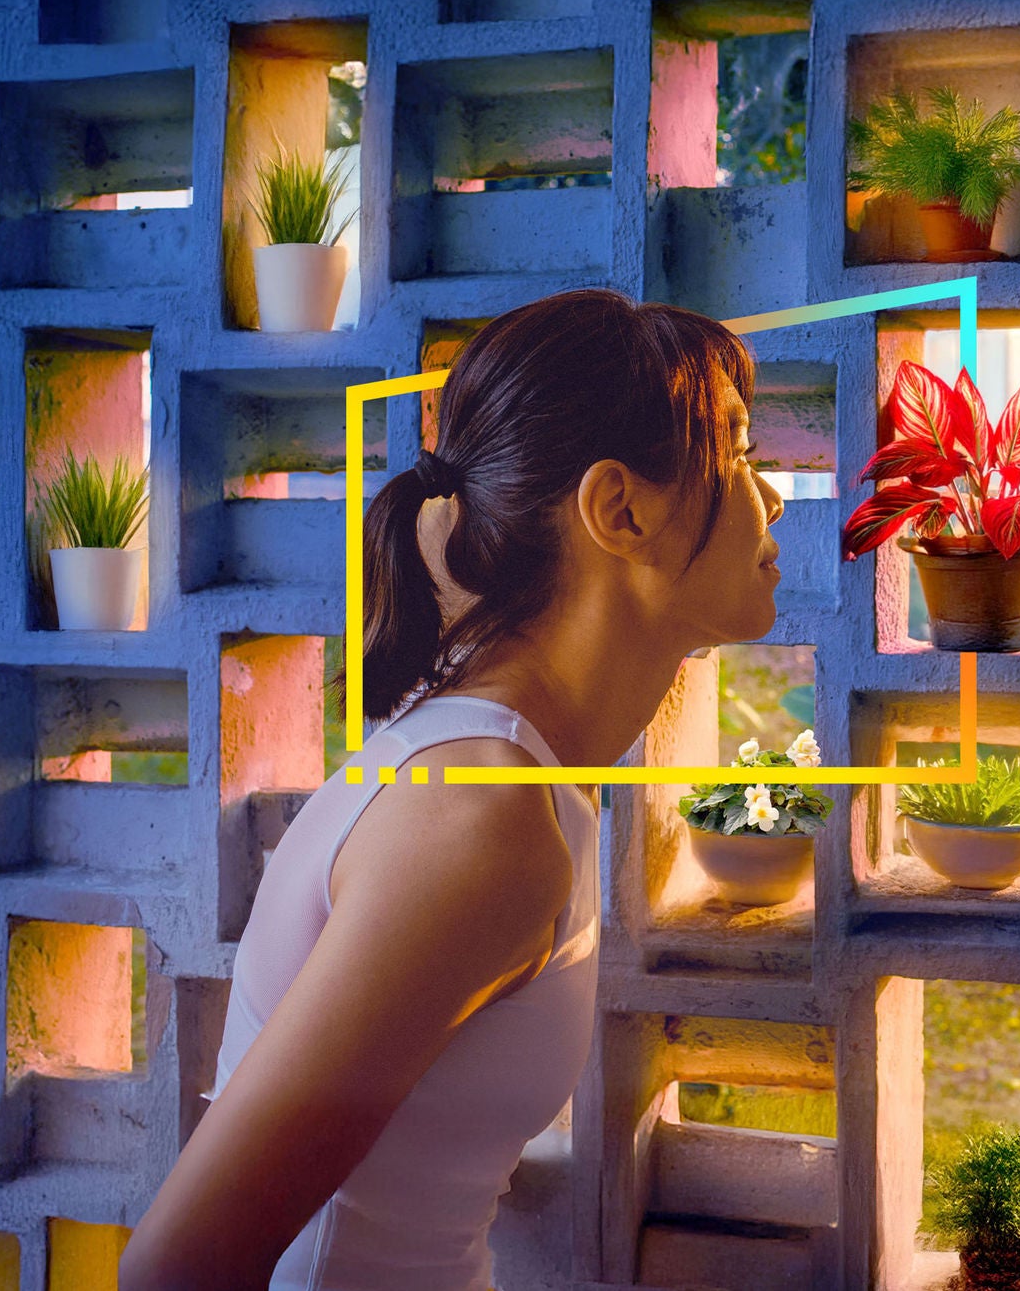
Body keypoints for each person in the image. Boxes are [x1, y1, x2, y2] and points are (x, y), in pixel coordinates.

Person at [118, 289, 786, 1290]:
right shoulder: (479, 820)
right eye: (735, 452)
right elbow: (177, 1270)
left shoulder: (511, 774)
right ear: (619, 510)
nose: (771, 497)